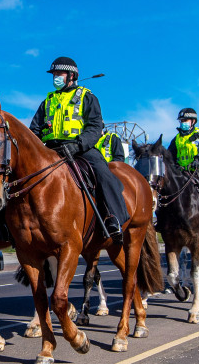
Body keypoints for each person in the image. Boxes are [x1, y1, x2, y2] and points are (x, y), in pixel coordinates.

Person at [29, 57, 129, 242]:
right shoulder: (47, 101)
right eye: (54, 75)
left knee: (102, 172)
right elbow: (33, 130)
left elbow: (94, 127)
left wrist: (78, 145)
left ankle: (114, 217)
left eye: (59, 74)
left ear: (72, 76)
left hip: (80, 149)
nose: (55, 78)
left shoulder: (87, 97)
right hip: (51, 150)